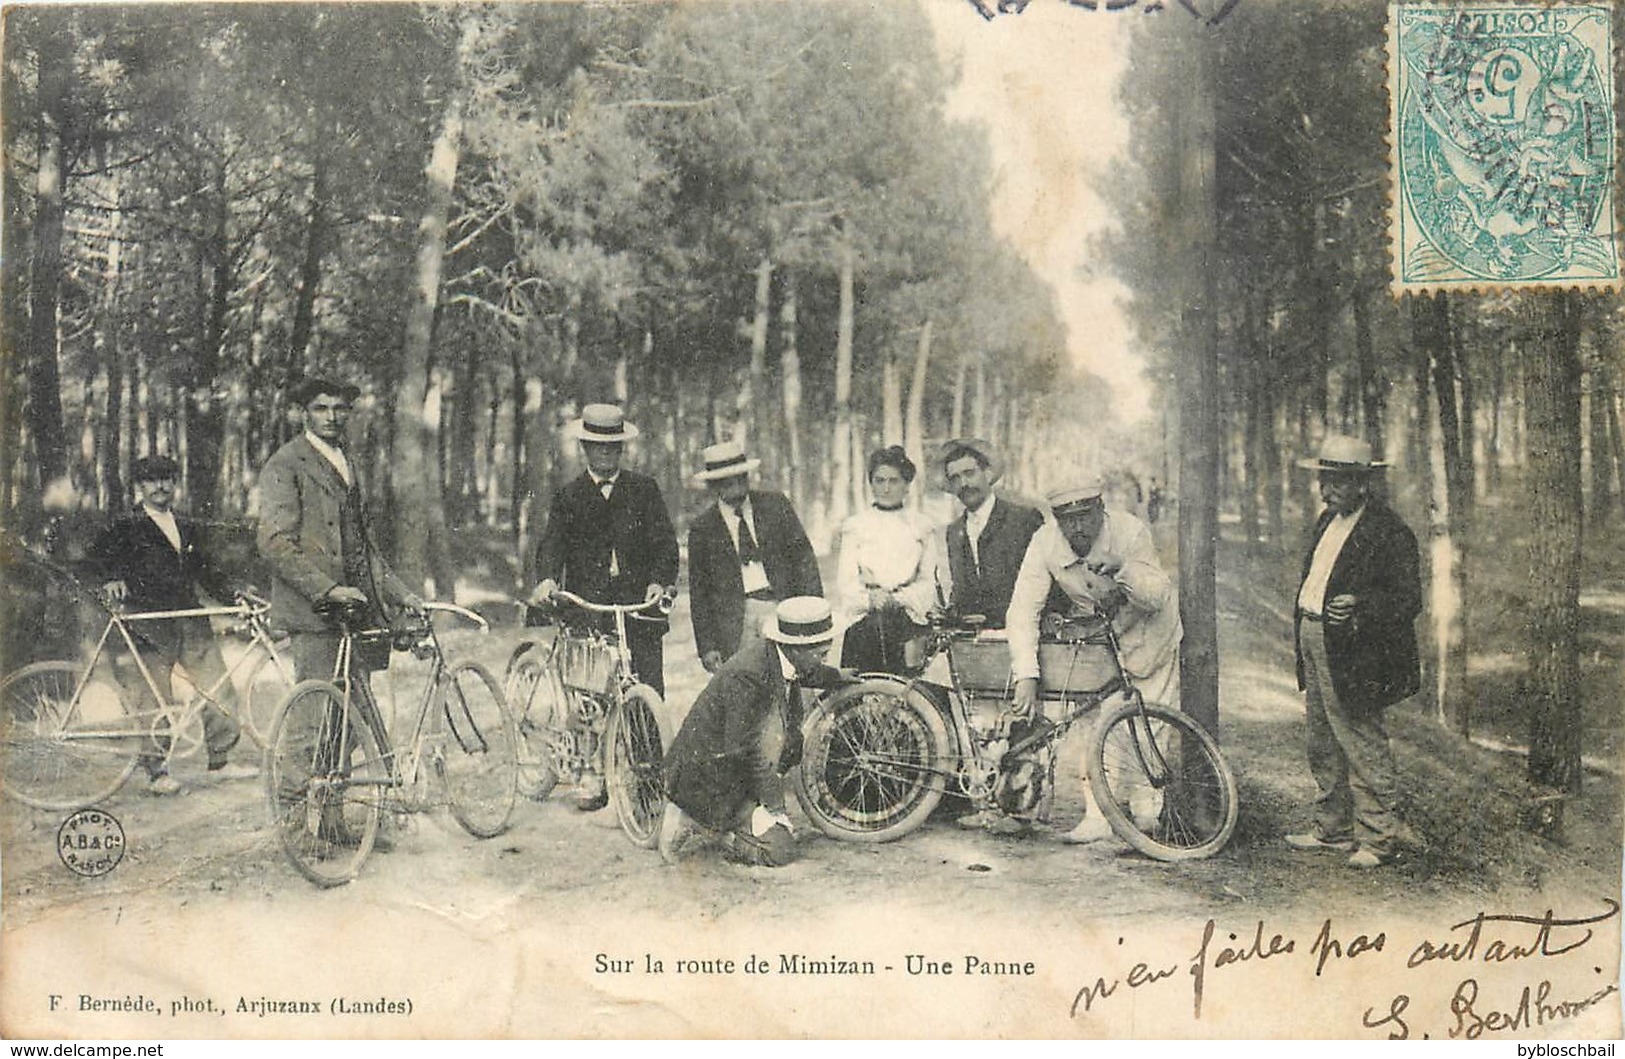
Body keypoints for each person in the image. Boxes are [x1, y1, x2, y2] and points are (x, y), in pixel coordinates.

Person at [1003, 478, 1181, 842]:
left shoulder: (1130, 531)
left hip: (1150, 635)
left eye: (1085, 517)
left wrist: (1122, 567)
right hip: (1102, 637)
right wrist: (1026, 672)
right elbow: (1023, 608)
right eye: (1067, 520)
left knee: (1148, 721)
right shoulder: (1045, 542)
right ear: (1055, 519)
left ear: (1101, 509)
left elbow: (1157, 595)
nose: (1077, 528)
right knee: (1097, 725)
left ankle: (1145, 815)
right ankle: (1100, 815)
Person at [530, 403, 679, 810]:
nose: (606, 456)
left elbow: (666, 545)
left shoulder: (644, 490)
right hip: (589, 608)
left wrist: (658, 581)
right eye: (597, 447)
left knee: (648, 693)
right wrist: (546, 579)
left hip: (638, 609)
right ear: (585, 448)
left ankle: (648, 783)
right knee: (588, 697)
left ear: (622, 450)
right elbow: (552, 546)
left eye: (613, 448)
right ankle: (591, 775)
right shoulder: (568, 497)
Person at [1286, 435, 1421, 869]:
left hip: (1355, 649)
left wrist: (1361, 604)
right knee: (1322, 738)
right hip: (1314, 635)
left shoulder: (1389, 531)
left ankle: (1380, 837)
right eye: (1324, 482)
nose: (1326, 492)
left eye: (1337, 483)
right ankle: (1334, 828)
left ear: (1363, 483)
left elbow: (1407, 599)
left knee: (1360, 738)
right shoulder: (1327, 522)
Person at [89, 455, 257, 794]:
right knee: (154, 697)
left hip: (189, 619)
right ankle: (156, 773)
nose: (161, 486)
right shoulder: (124, 525)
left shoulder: (186, 525)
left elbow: (206, 572)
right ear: (140, 487)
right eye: (152, 480)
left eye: (166, 478)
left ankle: (219, 762)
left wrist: (232, 596)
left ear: (174, 483)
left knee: (218, 688)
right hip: (149, 624)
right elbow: (96, 560)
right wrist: (110, 578)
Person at [658, 596, 845, 867]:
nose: (823, 660)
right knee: (780, 851)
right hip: (708, 779)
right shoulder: (748, 677)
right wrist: (775, 807)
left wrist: (838, 677)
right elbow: (745, 750)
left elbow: (808, 672)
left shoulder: (778, 657)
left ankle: (734, 823)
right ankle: (695, 820)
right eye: (820, 654)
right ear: (795, 648)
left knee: (784, 746)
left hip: (733, 771)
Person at [687, 439, 822, 673]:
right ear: (713, 485)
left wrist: (813, 614)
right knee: (746, 692)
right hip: (735, 621)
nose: (736, 484)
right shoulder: (703, 528)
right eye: (726, 480)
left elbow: (804, 560)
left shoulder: (775, 506)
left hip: (782, 608)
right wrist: (707, 646)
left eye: (741, 476)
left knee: (798, 683)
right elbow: (700, 593)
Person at [834, 445, 944, 674]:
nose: (886, 488)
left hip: (908, 621)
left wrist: (902, 599)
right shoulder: (855, 526)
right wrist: (870, 600)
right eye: (879, 480)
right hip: (865, 621)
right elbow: (846, 583)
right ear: (871, 483)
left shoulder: (921, 526)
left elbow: (928, 580)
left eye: (894, 481)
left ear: (906, 485)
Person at [939, 437, 1044, 629]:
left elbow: (1047, 582)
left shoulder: (1023, 519)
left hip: (1024, 632)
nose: (963, 483)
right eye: (955, 478)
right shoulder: (954, 531)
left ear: (987, 474)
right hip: (975, 641)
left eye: (969, 473)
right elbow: (961, 590)